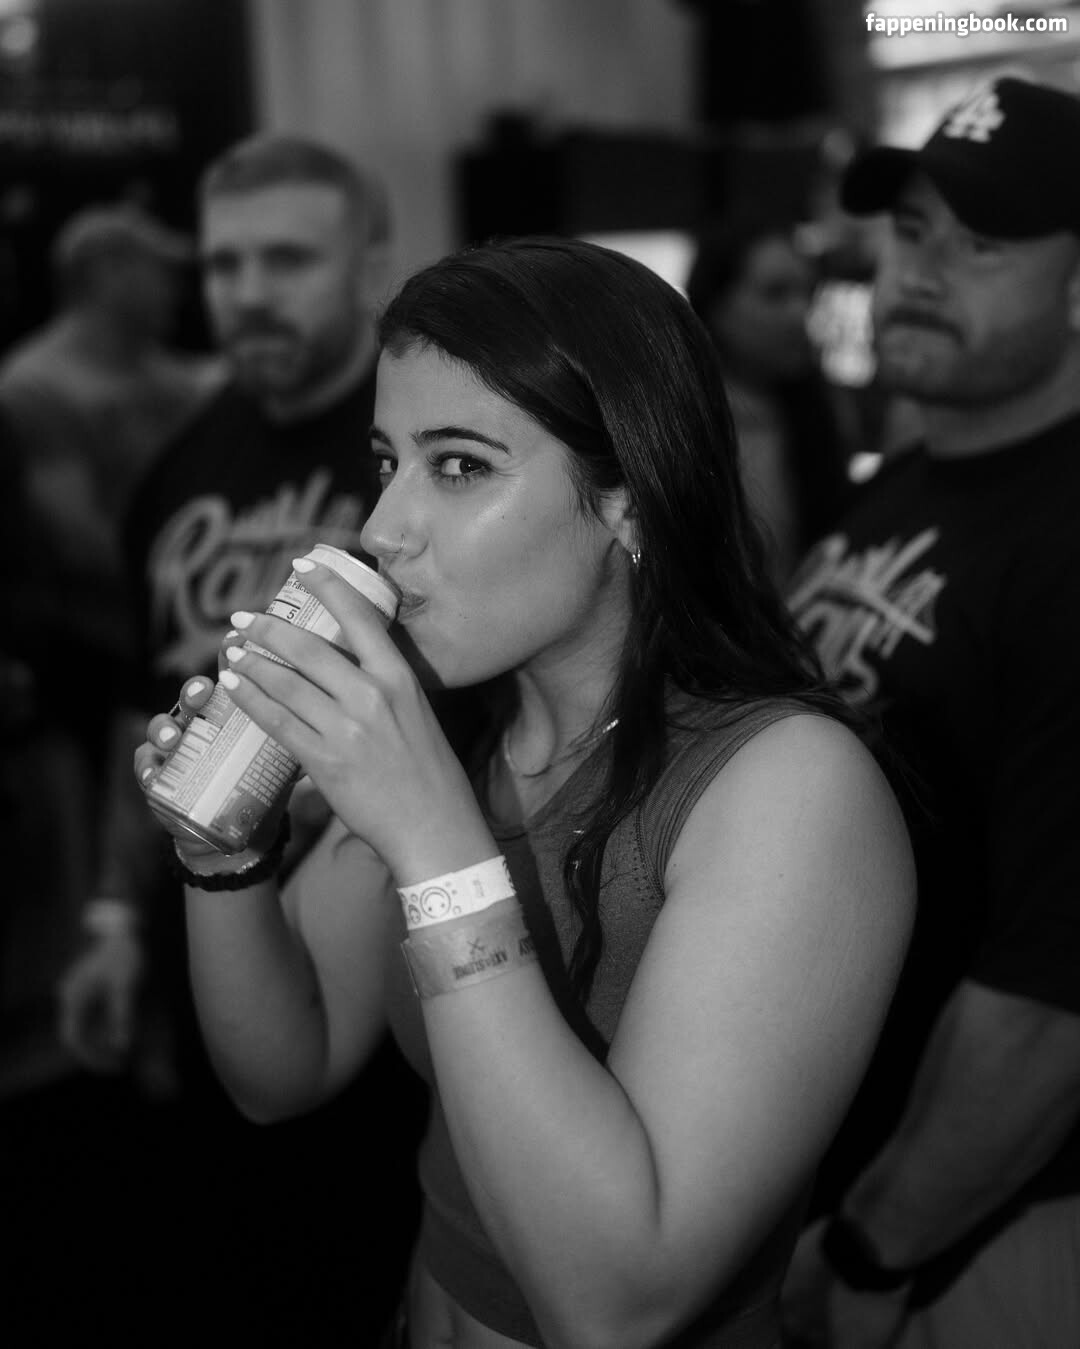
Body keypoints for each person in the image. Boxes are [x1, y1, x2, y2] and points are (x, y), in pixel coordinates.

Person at [136, 234, 915, 1349]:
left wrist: (437, 845)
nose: (382, 529)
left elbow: (617, 1302)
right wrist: (224, 855)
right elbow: (282, 1066)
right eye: (387, 462)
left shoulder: (790, 789)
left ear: (630, 500)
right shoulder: (467, 732)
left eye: (459, 466)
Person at [56, 135, 426, 1345]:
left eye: (287, 259)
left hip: (378, 963)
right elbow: (139, 703)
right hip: (206, 916)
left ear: (366, 264)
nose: (249, 292)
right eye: (224, 264)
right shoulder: (180, 462)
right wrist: (114, 918)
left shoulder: (411, 470)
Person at [783, 75, 1080, 1348]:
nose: (917, 270)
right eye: (910, 230)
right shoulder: (911, 476)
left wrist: (872, 1245)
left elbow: (1052, 1000)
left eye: (982, 243)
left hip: (979, 1231)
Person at [686, 214, 856, 585]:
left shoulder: (822, 412)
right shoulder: (677, 423)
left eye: (808, 294)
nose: (799, 314)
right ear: (716, 304)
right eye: (775, 293)